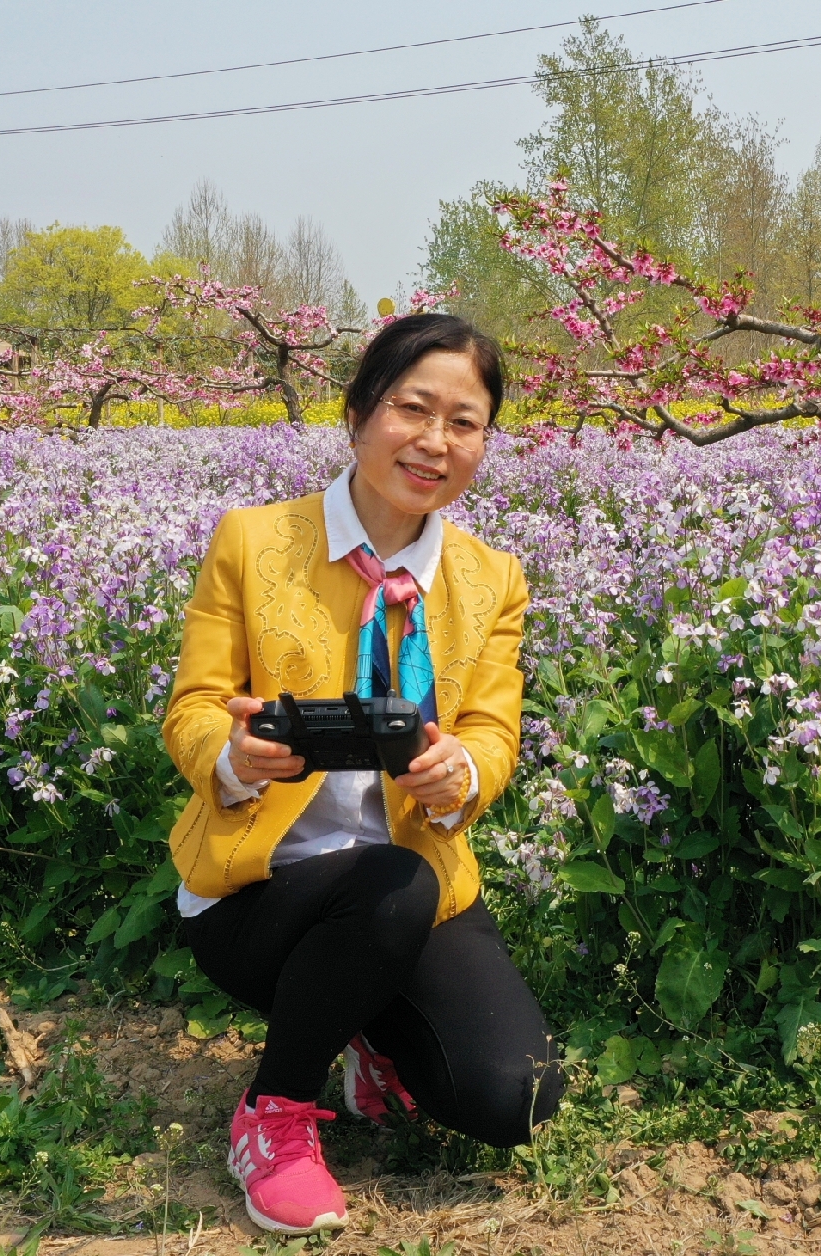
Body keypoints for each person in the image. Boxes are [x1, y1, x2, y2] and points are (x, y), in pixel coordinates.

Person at [161, 314, 562, 1235]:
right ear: (356, 414)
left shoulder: (492, 578)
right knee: (385, 883)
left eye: (465, 422)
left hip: (410, 886)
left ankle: (363, 1024)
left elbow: (492, 734)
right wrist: (232, 759)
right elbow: (191, 708)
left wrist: (460, 775)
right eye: (412, 409)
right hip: (259, 896)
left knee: (514, 1099)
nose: (434, 442)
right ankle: (276, 1118)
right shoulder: (253, 543)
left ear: (485, 443)